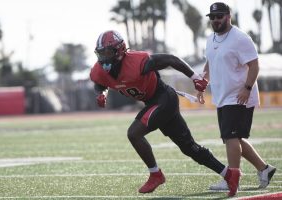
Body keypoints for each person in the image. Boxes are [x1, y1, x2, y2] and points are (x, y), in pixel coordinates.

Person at [90, 30, 236, 194]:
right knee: (189, 148)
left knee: (134, 133)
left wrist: (195, 77)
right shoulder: (99, 70)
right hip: (156, 103)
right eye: (101, 53)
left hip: (163, 98)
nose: (104, 58)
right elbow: (99, 83)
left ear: (120, 50)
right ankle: (229, 174)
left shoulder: (138, 61)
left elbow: (170, 59)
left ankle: (155, 174)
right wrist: (101, 94)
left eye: (108, 52)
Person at [197, 2, 276, 197]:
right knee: (233, 138)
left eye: (219, 16)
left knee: (231, 137)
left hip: (239, 96)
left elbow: (255, 66)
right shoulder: (210, 38)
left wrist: (247, 88)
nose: (215, 20)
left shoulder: (240, 38)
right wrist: (202, 82)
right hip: (223, 96)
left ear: (228, 16)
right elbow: (210, 61)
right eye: (212, 17)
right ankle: (264, 168)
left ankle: (232, 179)